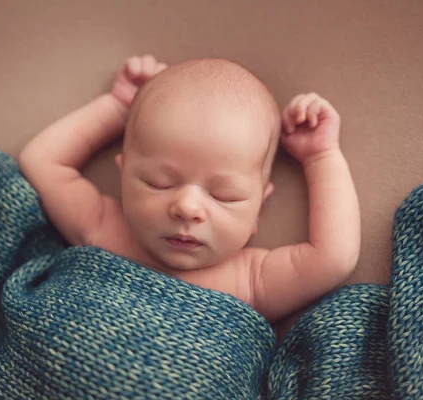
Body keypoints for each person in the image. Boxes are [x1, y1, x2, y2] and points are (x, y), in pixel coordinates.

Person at [19, 54, 360, 322]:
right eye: (159, 183)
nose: (187, 207)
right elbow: (42, 162)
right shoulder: (102, 225)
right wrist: (118, 108)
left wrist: (321, 157)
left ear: (258, 209)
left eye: (224, 196)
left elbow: (333, 257)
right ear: (123, 177)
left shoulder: (252, 279)